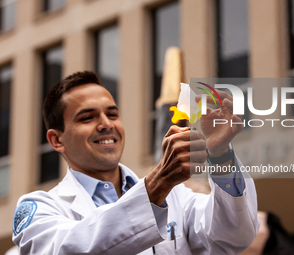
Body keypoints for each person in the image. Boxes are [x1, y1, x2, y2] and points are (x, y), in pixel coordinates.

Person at [12, 71, 259, 254]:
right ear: (56, 139)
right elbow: (71, 248)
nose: (106, 124)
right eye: (87, 117)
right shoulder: (39, 209)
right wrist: (158, 181)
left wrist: (220, 154)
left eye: (112, 114)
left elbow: (234, 237)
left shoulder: (176, 197)